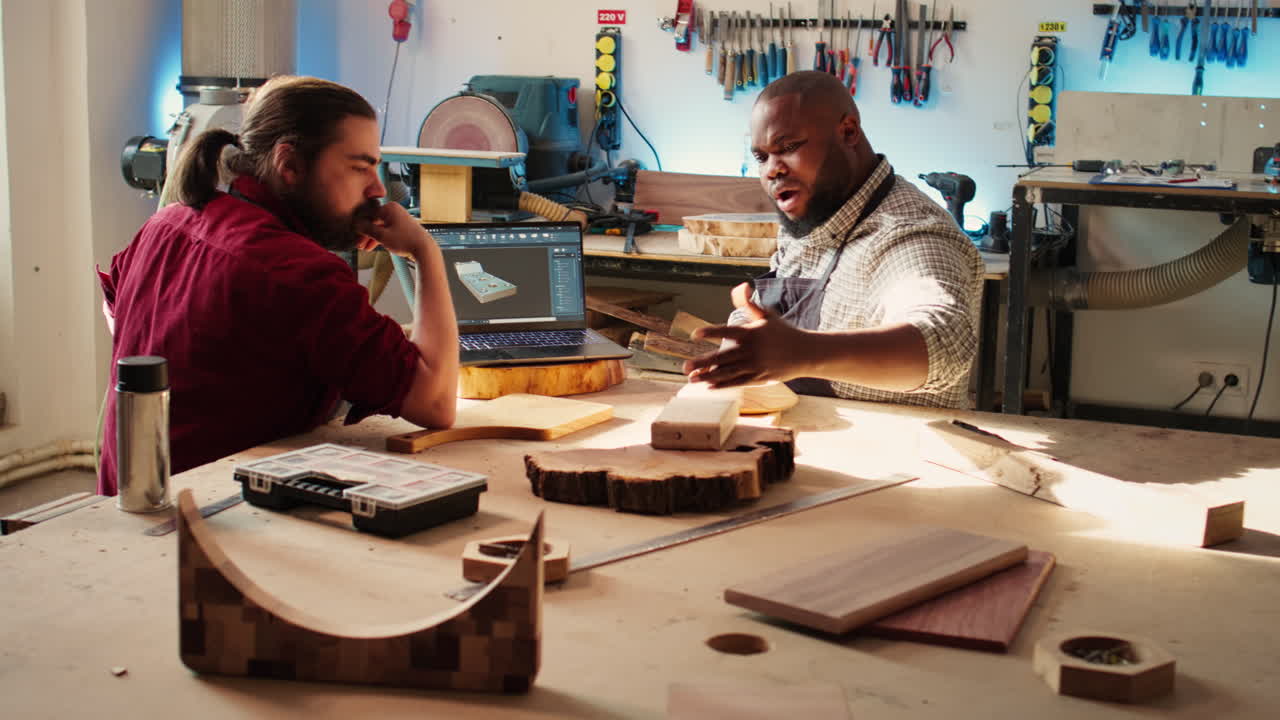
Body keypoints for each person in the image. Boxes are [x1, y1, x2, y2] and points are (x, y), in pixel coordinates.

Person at [97, 76, 458, 495]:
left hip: (129, 500)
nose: (377, 189)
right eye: (360, 167)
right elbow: (436, 403)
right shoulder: (298, 273)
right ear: (290, 165)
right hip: (209, 522)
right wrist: (424, 251)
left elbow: (118, 315)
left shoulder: (166, 222)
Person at [684, 71, 984, 409]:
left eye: (789, 147)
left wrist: (804, 353)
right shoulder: (815, 216)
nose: (772, 169)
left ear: (848, 132)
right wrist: (741, 351)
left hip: (895, 453)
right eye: (761, 157)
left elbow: (944, 344)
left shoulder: (909, 233)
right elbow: (773, 317)